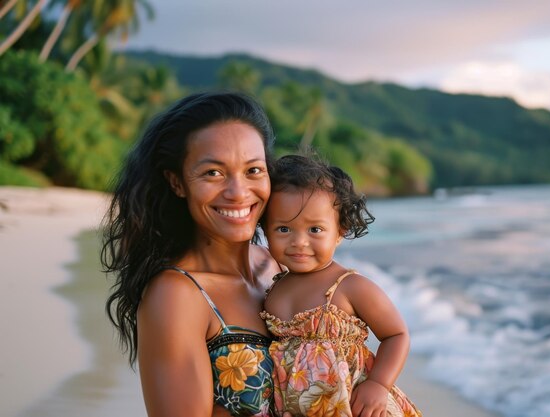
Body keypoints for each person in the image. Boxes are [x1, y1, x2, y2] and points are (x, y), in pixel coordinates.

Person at [101, 92, 282, 417]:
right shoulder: (176, 295)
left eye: (253, 170)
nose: (238, 192)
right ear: (177, 182)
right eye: (213, 172)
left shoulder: (276, 265)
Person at [260, 154, 422, 417]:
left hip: (356, 405)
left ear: (340, 232)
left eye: (315, 230)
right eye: (283, 229)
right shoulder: (274, 287)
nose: (299, 242)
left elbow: (396, 335)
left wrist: (379, 383)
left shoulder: (350, 286)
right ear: (266, 230)